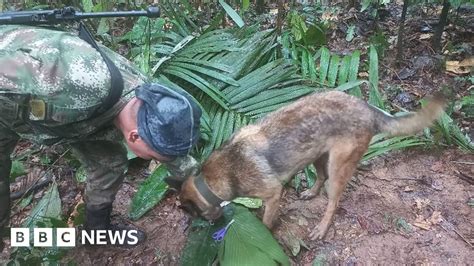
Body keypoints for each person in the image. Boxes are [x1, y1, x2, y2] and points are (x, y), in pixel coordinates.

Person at [0, 25, 202, 250]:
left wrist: (202, 189)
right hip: (7, 104)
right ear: (134, 137)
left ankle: (96, 232)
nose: (162, 160)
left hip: (74, 119)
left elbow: (171, 152)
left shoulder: (148, 103)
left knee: (109, 164)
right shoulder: (72, 81)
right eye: (156, 157)